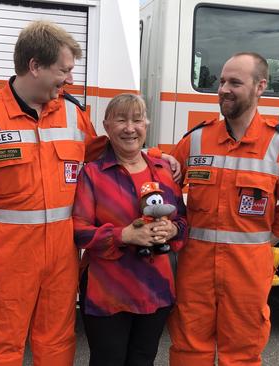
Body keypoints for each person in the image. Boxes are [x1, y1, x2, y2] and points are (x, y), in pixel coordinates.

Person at [0, 21, 180, 366]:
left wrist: (156, 155)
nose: (69, 79)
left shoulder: (71, 111)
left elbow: (106, 150)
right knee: (0, 346)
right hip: (7, 254)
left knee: (56, 343)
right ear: (35, 66)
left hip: (61, 252)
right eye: (64, 70)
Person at [168, 52, 279, 365]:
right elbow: (164, 186)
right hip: (196, 265)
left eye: (235, 82)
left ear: (260, 86)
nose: (223, 89)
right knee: (189, 347)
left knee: (242, 352)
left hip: (248, 268)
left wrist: (262, 241)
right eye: (221, 81)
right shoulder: (196, 139)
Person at [72, 94, 187, 366]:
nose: (130, 128)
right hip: (107, 291)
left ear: (146, 125)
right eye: (121, 120)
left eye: (137, 120)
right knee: (107, 361)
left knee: (143, 360)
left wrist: (171, 230)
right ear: (106, 126)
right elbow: (78, 230)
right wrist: (124, 235)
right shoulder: (93, 174)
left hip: (155, 289)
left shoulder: (164, 170)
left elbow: (183, 222)